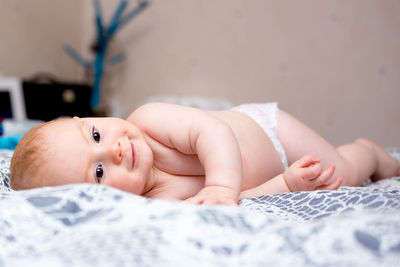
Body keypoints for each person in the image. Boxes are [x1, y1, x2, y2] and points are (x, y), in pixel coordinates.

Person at [10, 102, 399, 205]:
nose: (112, 150)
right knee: (327, 183)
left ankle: (370, 154)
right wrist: (284, 183)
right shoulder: (156, 203)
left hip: (269, 130)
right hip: (270, 171)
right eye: (98, 173)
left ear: (85, 117)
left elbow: (213, 132)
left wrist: (221, 186)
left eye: (95, 134)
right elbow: (231, 200)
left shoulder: (148, 121)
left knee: (343, 171)